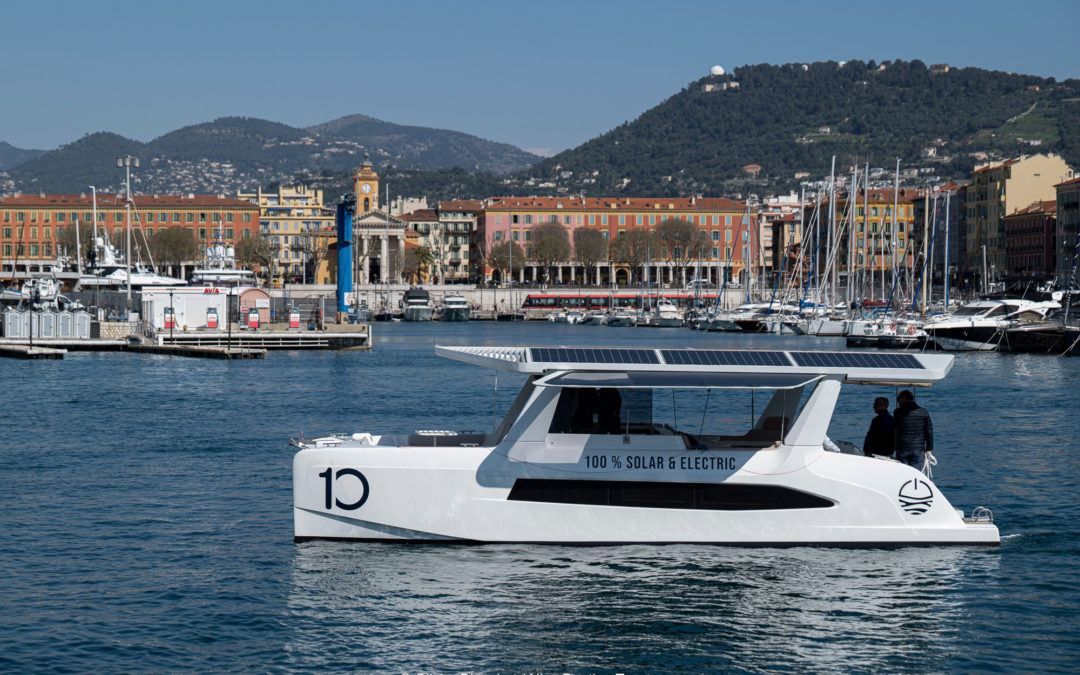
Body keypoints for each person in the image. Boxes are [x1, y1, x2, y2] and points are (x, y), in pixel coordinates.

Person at [893, 390, 933, 470]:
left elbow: (894, 431)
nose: (898, 402)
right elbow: (929, 431)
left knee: (903, 473)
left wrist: (892, 448)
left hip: (902, 448)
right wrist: (929, 448)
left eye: (898, 399)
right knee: (915, 472)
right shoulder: (923, 412)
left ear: (904, 398)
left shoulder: (897, 412)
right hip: (918, 449)